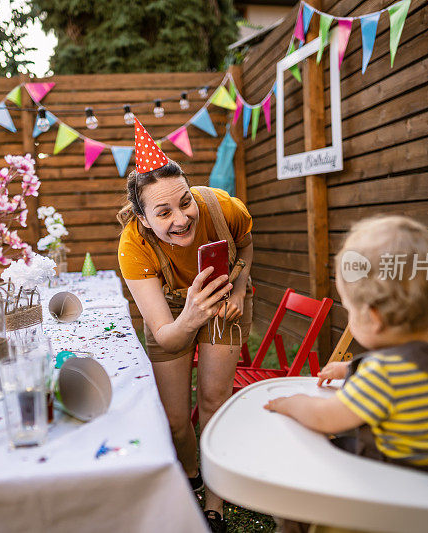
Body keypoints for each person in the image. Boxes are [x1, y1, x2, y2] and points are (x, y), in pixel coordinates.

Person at [265, 216, 428, 491]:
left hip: (398, 491)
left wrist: (290, 403)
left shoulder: (384, 375)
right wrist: (348, 369)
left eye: (349, 309)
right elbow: (406, 378)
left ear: (374, 317)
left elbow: (324, 417)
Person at [117, 119, 254, 533]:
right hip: (176, 315)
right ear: (143, 220)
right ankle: (191, 473)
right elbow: (166, 335)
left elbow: (245, 242)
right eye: (163, 212)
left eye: (184, 202)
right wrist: (190, 314)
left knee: (213, 401)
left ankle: (215, 500)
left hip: (223, 303)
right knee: (176, 419)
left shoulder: (221, 207)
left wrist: (239, 288)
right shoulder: (133, 247)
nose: (181, 218)